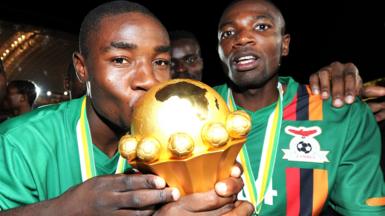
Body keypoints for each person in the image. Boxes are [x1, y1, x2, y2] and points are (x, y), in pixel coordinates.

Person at [0, 1, 253, 215]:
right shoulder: (20, 143)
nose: (148, 80)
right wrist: (61, 209)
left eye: (160, 62)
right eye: (120, 60)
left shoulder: (183, 137)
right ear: (82, 68)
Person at [214, 0, 385, 215]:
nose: (241, 39)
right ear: (219, 50)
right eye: (228, 33)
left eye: (261, 27)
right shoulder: (193, 112)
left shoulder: (339, 113)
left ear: (284, 45)